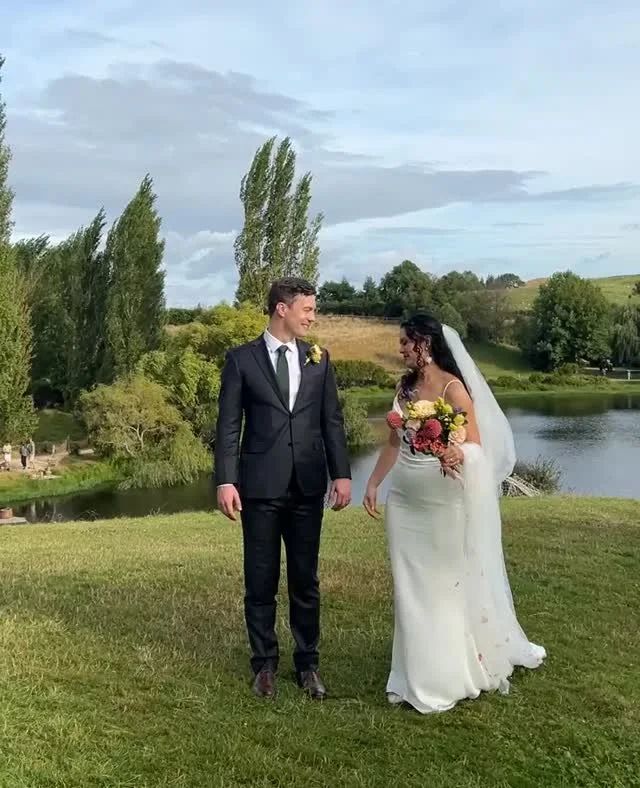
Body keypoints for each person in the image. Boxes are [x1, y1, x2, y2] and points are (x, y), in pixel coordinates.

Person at [363, 313, 545, 714]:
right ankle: (411, 673)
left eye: (406, 342)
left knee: (442, 585)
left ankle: (446, 675)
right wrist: (374, 483)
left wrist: (455, 451)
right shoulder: (405, 387)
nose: (401, 349)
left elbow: (477, 447)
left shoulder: (453, 388)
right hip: (405, 501)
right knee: (408, 587)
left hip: (442, 502)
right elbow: (394, 444)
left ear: (425, 343)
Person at [215, 277, 352, 700]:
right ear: (282, 309)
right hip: (258, 488)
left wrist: (342, 473)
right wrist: (225, 479)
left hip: (308, 485)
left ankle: (308, 665)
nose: (313, 317)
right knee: (260, 580)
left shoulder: (319, 359)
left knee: (305, 581)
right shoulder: (241, 360)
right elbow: (228, 426)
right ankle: (264, 666)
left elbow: (331, 420)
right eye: (307, 309)